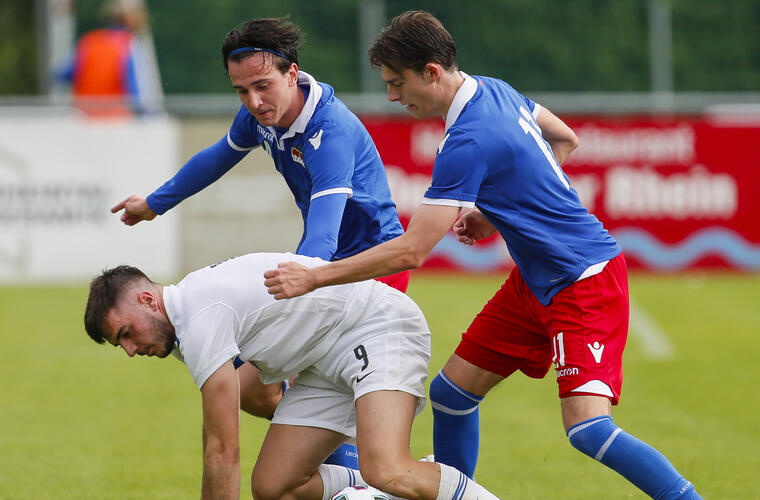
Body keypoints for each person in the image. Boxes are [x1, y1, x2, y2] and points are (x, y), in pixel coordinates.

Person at [263, 10, 701, 500]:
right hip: (535, 281)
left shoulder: (467, 139)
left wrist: (316, 277)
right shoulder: (495, 88)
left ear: (431, 72)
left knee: (589, 431)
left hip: (584, 281)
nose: (391, 95)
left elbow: (412, 250)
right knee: (451, 395)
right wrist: (494, 213)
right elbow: (564, 139)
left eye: (396, 82)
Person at [110, 17, 409, 465]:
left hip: (371, 272)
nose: (253, 101)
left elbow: (325, 235)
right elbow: (217, 158)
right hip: (322, 268)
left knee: (295, 402)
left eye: (262, 86)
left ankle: (371, 478)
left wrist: (292, 297)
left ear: (292, 73)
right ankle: (351, 475)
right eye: (241, 91)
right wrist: (155, 202)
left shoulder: (331, 132)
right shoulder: (261, 114)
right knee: (257, 394)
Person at [83, 253, 500, 500]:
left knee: (388, 468)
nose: (132, 350)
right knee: (274, 487)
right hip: (322, 361)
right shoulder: (182, 325)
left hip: (377, 325)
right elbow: (257, 392)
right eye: (121, 345)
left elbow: (222, 449)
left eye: (126, 334)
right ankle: (384, 487)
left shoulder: (199, 317)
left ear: (146, 299)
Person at [58, 0, 163, 117]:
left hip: (84, 119)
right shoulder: (129, 44)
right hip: (115, 121)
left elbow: (62, 74)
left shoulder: (89, 42)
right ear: (129, 18)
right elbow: (138, 93)